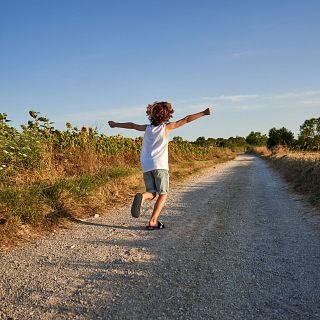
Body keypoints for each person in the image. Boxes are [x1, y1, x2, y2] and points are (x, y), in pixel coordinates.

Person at [108, 102, 212, 230]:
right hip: (160, 166)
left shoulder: (146, 128)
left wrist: (115, 124)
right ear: (167, 115)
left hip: (146, 165)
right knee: (163, 193)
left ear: (150, 114)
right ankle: (153, 221)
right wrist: (204, 113)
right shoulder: (166, 127)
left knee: (152, 193)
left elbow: (132, 125)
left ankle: (142, 197)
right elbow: (186, 119)